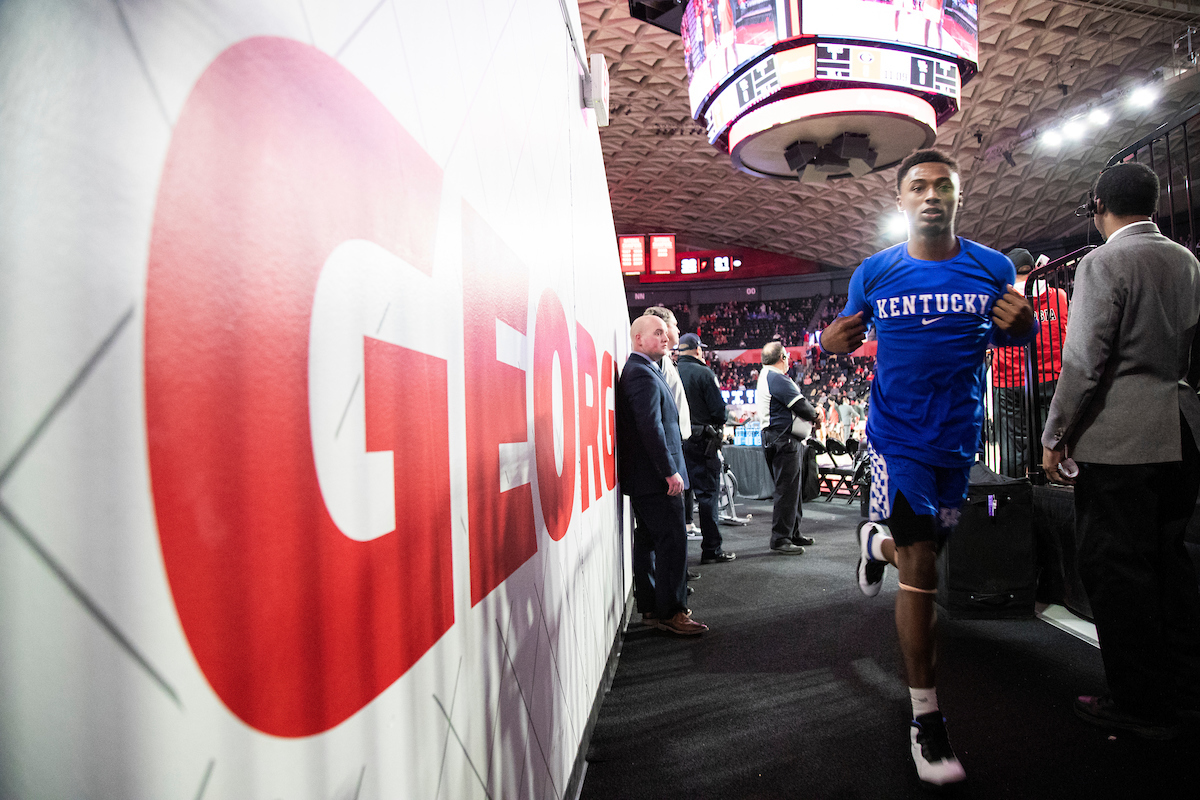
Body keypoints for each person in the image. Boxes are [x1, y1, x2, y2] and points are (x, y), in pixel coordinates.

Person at [820, 149, 1036, 785]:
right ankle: (927, 719)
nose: (933, 195)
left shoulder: (993, 269)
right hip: (899, 441)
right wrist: (830, 342)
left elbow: (1014, 334)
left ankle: (873, 542)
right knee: (923, 569)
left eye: (944, 186)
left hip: (958, 443)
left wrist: (1024, 327)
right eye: (920, 186)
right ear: (902, 201)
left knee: (929, 548)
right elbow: (840, 336)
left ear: (959, 197)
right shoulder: (875, 272)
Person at [1042, 161, 1200, 740]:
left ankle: (1139, 703)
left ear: (1098, 205)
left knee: (1117, 571)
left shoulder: (1102, 262)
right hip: (1179, 429)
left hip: (1120, 440)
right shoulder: (1186, 260)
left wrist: (1055, 436)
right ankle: (1185, 692)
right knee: (1171, 565)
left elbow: (1083, 362)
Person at [617, 315, 708, 636]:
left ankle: (653, 608)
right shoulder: (641, 374)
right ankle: (673, 612)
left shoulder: (643, 370)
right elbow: (650, 428)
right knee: (673, 542)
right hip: (657, 478)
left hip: (648, 478)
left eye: (665, 332)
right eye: (657, 333)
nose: (666, 337)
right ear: (638, 339)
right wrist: (669, 471)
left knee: (649, 540)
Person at [990, 247, 1069, 477]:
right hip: (1050, 380)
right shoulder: (1059, 297)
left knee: (1012, 452)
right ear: (1035, 269)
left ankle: (1013, 502)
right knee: (1048, 446)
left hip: (1008, 382)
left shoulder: (1002, 301)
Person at [676, 333, 737, 565]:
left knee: (681, 495)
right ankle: (711, 549)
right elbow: (719, 412)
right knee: (708, 495)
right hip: (702, 440)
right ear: (698, 350)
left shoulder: (670, 370)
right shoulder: (703, 373)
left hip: (678, 441)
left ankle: (679, 557)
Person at [756, 341, 819, 554]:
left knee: (792, 490)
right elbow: (801, 406)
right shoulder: (777, 377)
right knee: (787, 490)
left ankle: (792, 532)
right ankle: (781, 538)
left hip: (778, 439)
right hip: (784, 441)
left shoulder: (767, 376)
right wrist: (816, 414)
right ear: (782, 357)